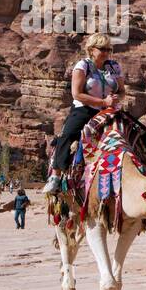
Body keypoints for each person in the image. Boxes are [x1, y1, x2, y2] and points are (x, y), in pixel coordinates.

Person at [43, 33, 124, 194]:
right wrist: (102, 102)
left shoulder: (114, 67)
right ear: (92, 49)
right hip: (84, 109)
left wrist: (116, 98)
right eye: (103, 49)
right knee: (68, 134)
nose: (107, 52)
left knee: (133, 133)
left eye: (109, 49)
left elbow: (122, 91)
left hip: (109, 111)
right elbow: (77, 94)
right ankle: (56, 176)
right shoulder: (83, 66)